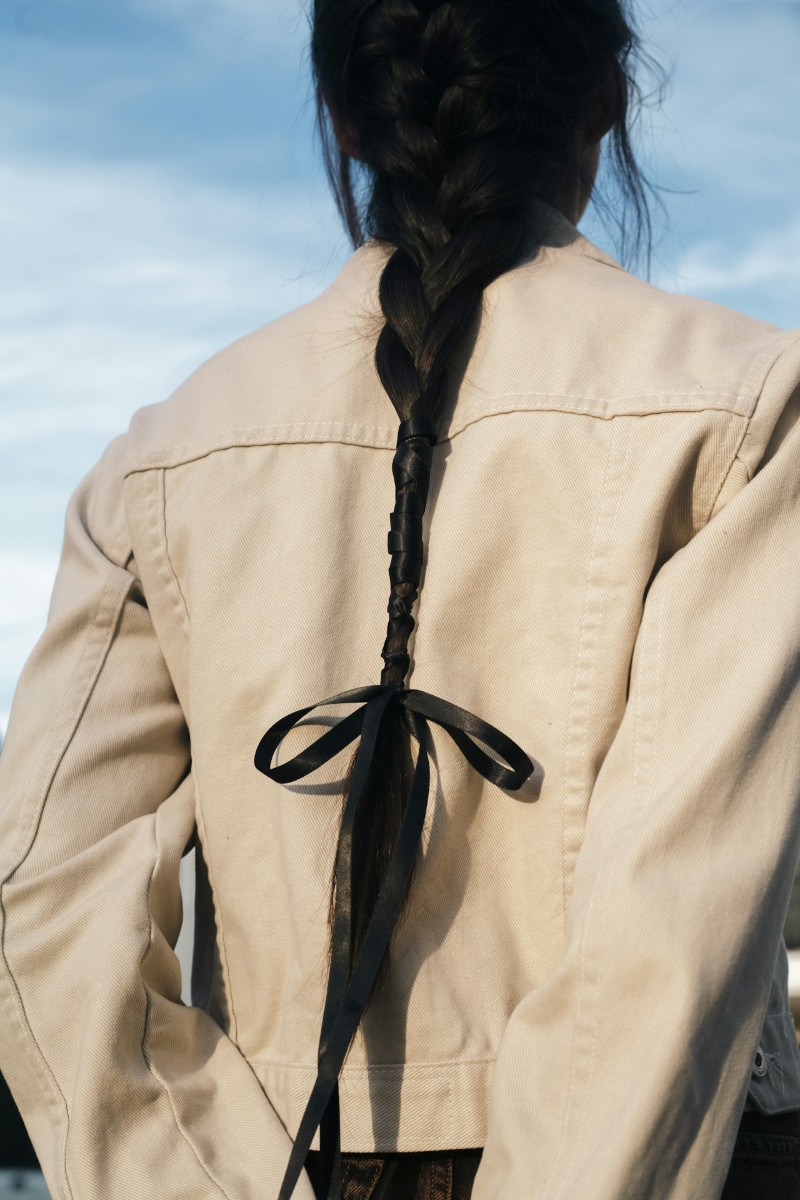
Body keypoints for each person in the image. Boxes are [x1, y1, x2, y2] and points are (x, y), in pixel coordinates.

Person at [2, 0, 800, 1197]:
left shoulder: (161, 463)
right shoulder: (745, 410)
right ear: (603, 102)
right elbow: (671, 935)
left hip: (290, 1156)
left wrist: (196, 1176)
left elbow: (38, 893)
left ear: (343, 119)